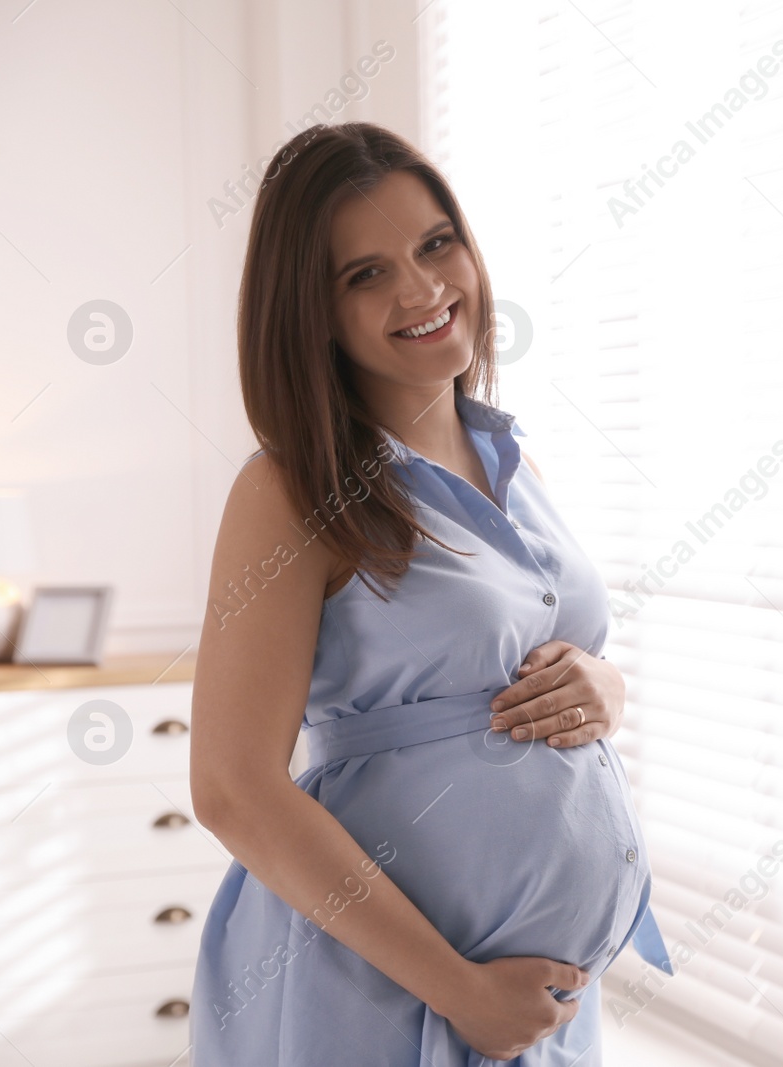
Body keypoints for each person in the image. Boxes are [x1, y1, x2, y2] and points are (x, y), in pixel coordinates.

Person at [188, 121, 671, 1065]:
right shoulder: (289, 489)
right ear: (310, 312)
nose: (421, 290)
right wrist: (461, 991)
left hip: (538, 1004)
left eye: (434, 244)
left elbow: (521, 654)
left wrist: (605, 687)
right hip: (382, 990)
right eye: (363, 274)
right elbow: (232, 789)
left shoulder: (513, 459)